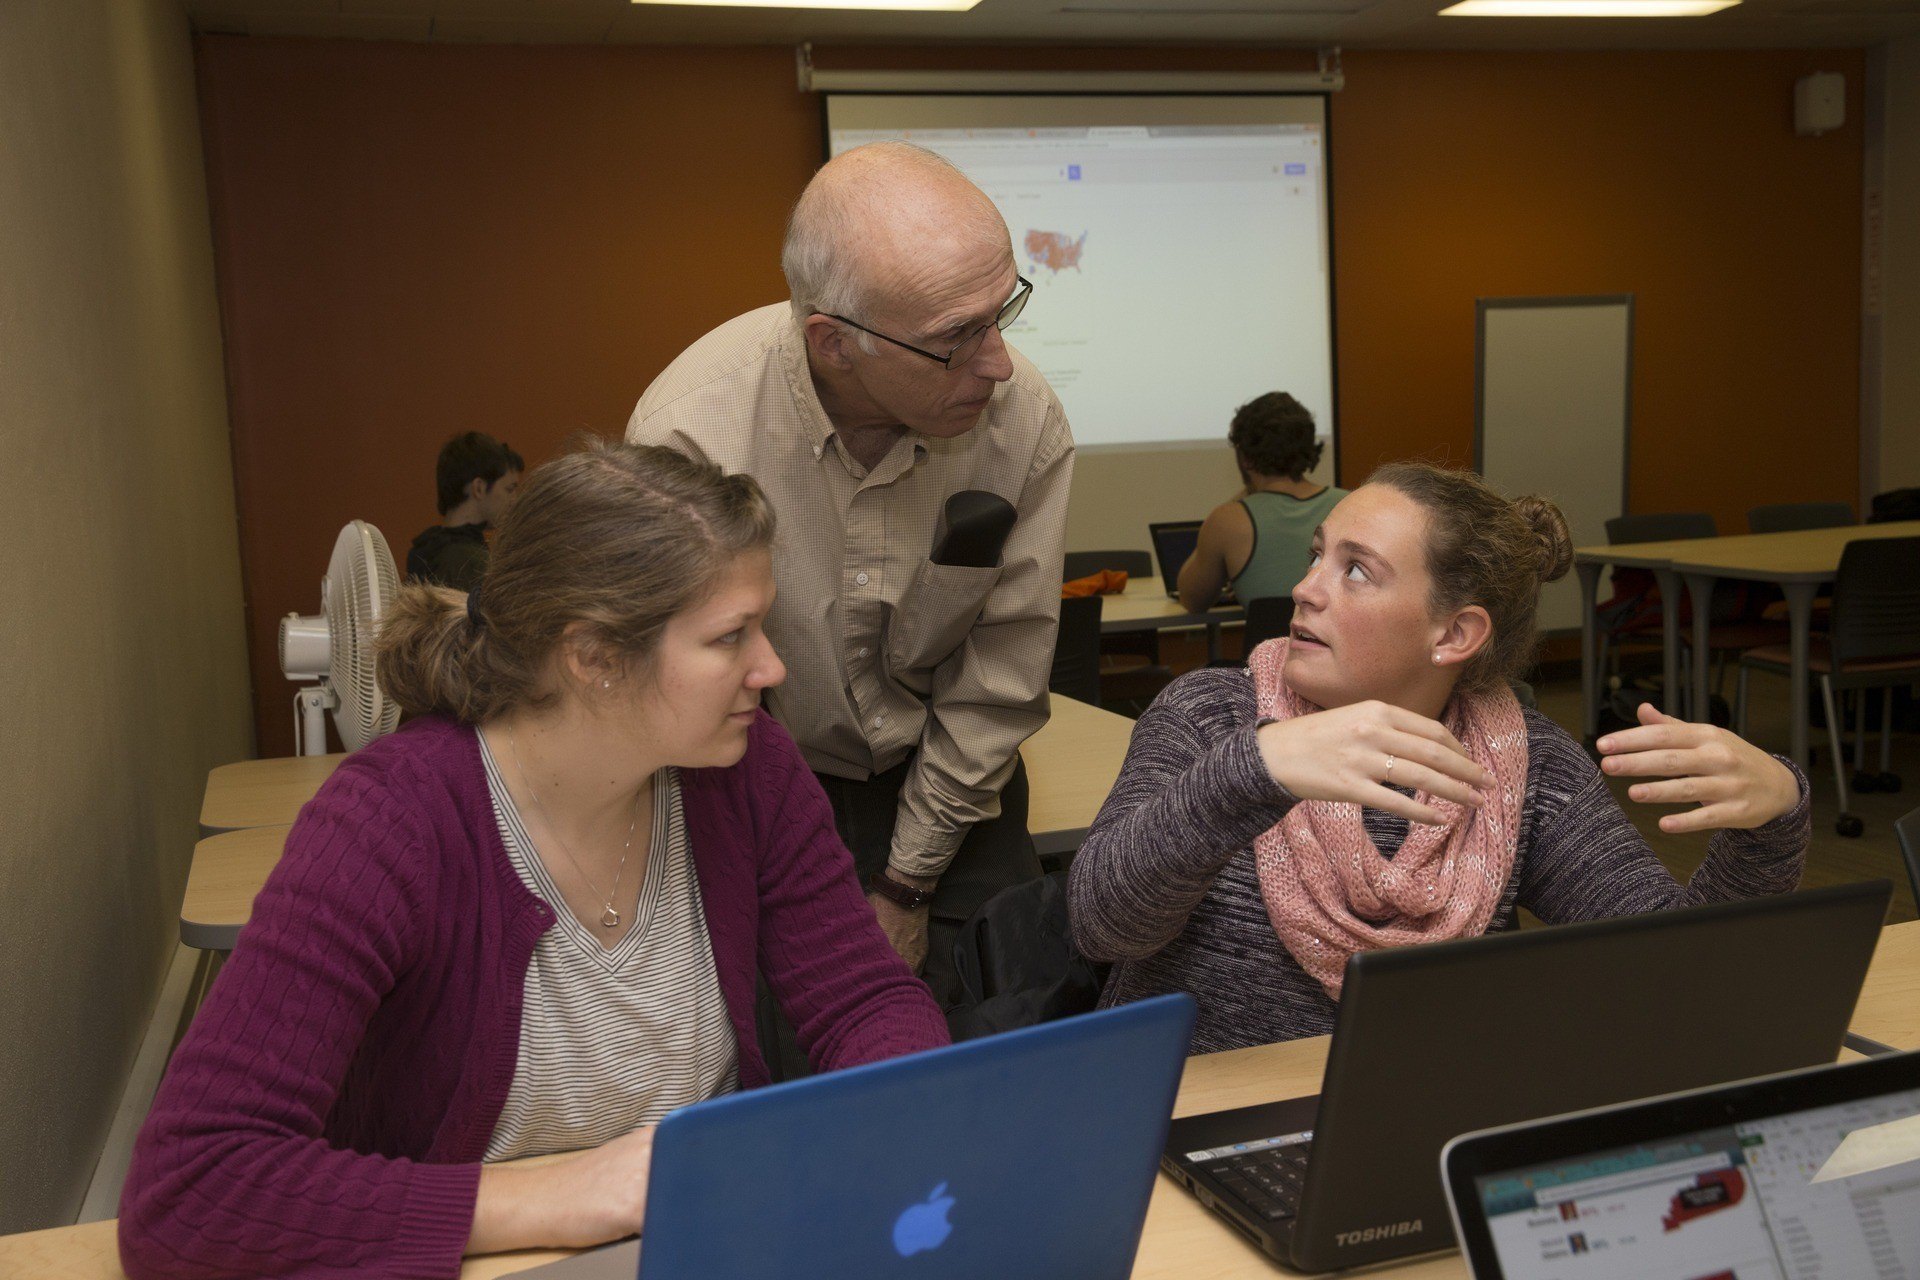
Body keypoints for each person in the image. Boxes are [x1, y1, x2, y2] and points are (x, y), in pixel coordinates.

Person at [119, 441, 948, 1278]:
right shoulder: (391, 823)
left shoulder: (751, 772)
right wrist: (567, 1195)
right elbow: (194, 1186)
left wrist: (891, 1125)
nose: (770, 667)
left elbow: (864, 1002)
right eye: (731, 636)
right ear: (591, 659)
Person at [1070, 461, 1809, 1054]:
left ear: (1454, 636)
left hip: (1407, 1131)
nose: (1304, 588)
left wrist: (1771, 822)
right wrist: (1250, 771)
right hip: (1179, 1133)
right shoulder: (1210, 716)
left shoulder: (1526, 767)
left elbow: (1676, 981)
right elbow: (1104, 927)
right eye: (1318, 555)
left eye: (1356, 571)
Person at [627, 141, 1073, 1005]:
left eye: (1003, 312)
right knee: (793, 1053)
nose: (1000, 363)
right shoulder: (691, 438)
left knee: (1005, 1041)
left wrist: (906, 885)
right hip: (760, 780)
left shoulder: (1021, 422)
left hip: (954, 778)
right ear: (834, 343)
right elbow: (688, 697)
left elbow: (996, 682)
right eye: (957, 337)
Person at [1177, 391, 1344, 613]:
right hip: (1339, 647)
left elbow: (1192, 600)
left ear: (1245, 458)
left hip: (1267, 648)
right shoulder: (1349, 504)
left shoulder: (1228, 520)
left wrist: (1243, 496)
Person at [406, 431, 525, 591]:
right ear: (479, 488)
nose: (514, 500)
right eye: (509, 489)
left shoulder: (425, 551)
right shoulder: (471, 563)